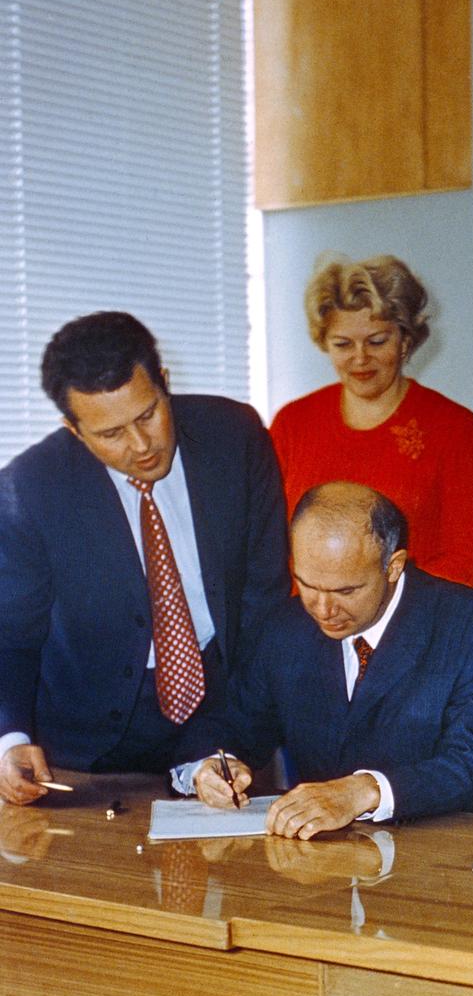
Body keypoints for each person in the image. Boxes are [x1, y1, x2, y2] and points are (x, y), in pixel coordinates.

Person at [0, 311, 289, 804]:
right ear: (75, 431)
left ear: (165, 384)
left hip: (222, 716)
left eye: (148, 413)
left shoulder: (233, 436)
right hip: (83, 748)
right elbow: (13, 637)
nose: (141, 446)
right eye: (111, 434)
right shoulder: (30, 488)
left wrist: (229, 735)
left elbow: (264, 599)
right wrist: (11, 738)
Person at [178, 482, 473, 839]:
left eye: (346, 591)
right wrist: (210, 768)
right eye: (307, 585)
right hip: (324, 863)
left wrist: (364, 792)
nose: (323, 610)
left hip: (444, 856)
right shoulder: (285, 629)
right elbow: (231, 723)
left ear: (394, 566)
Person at [270, 254, 473, 586]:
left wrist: (375, 611)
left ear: (405, 341)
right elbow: (267, 545)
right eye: (343, 344)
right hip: (305, 622)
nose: (360, 358)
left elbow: (466, 560)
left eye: (377, 341)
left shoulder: (454, 428)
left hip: (413, 624)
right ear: (324, 344)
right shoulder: (292, 423)